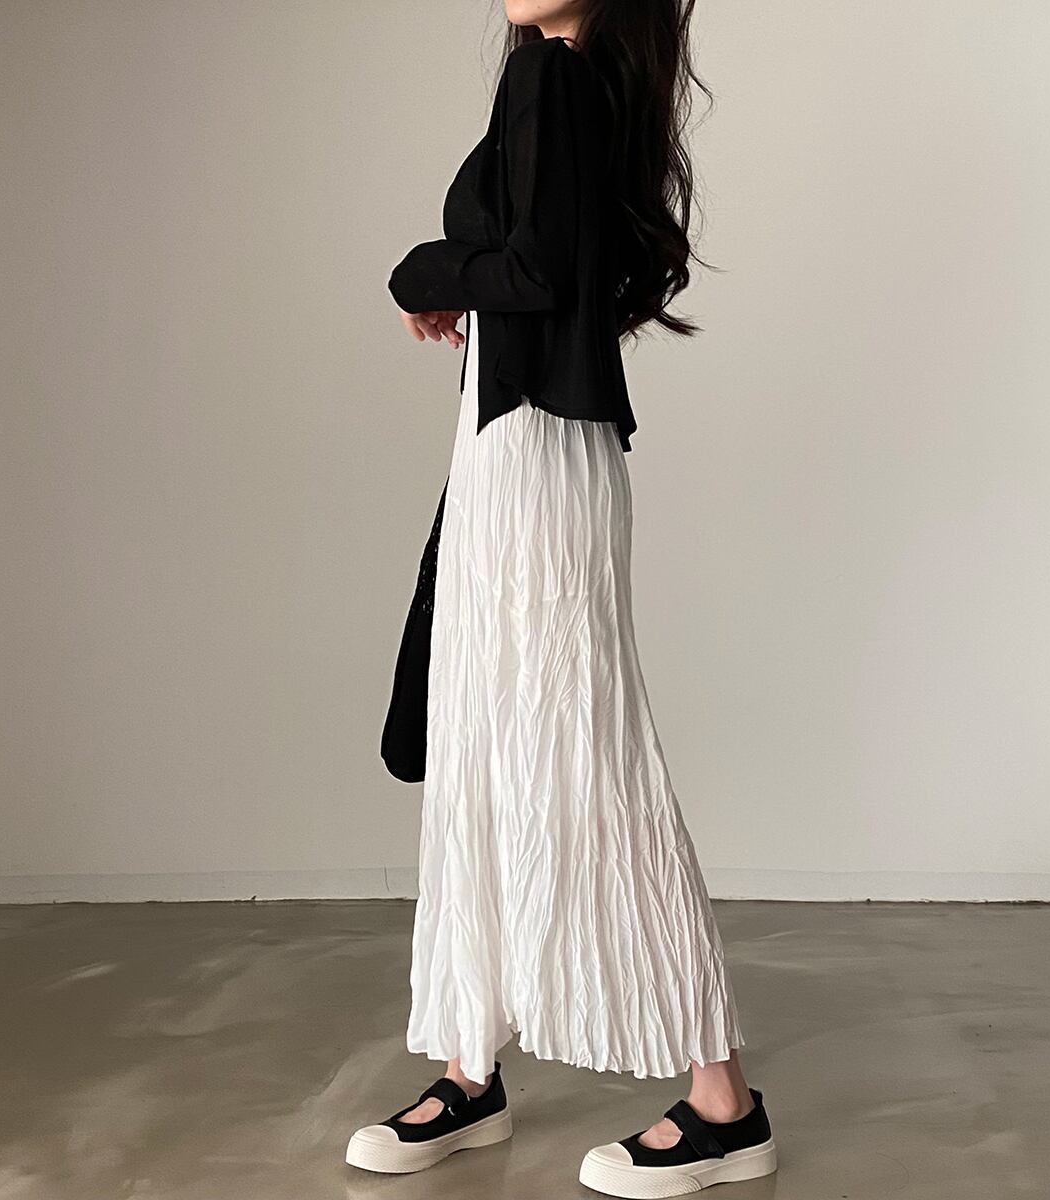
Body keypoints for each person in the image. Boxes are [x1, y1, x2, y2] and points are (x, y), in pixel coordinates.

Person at [350, 3, 778, 1195]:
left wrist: (423, 269)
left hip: (532, 450)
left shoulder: (551, 77)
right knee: (489, 736)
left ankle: (724, 1105)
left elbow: (537, 274)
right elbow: (580, 270)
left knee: (582, 753)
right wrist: (477, 286)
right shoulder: (595, 88)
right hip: (529, 447)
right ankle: (468, 1068)